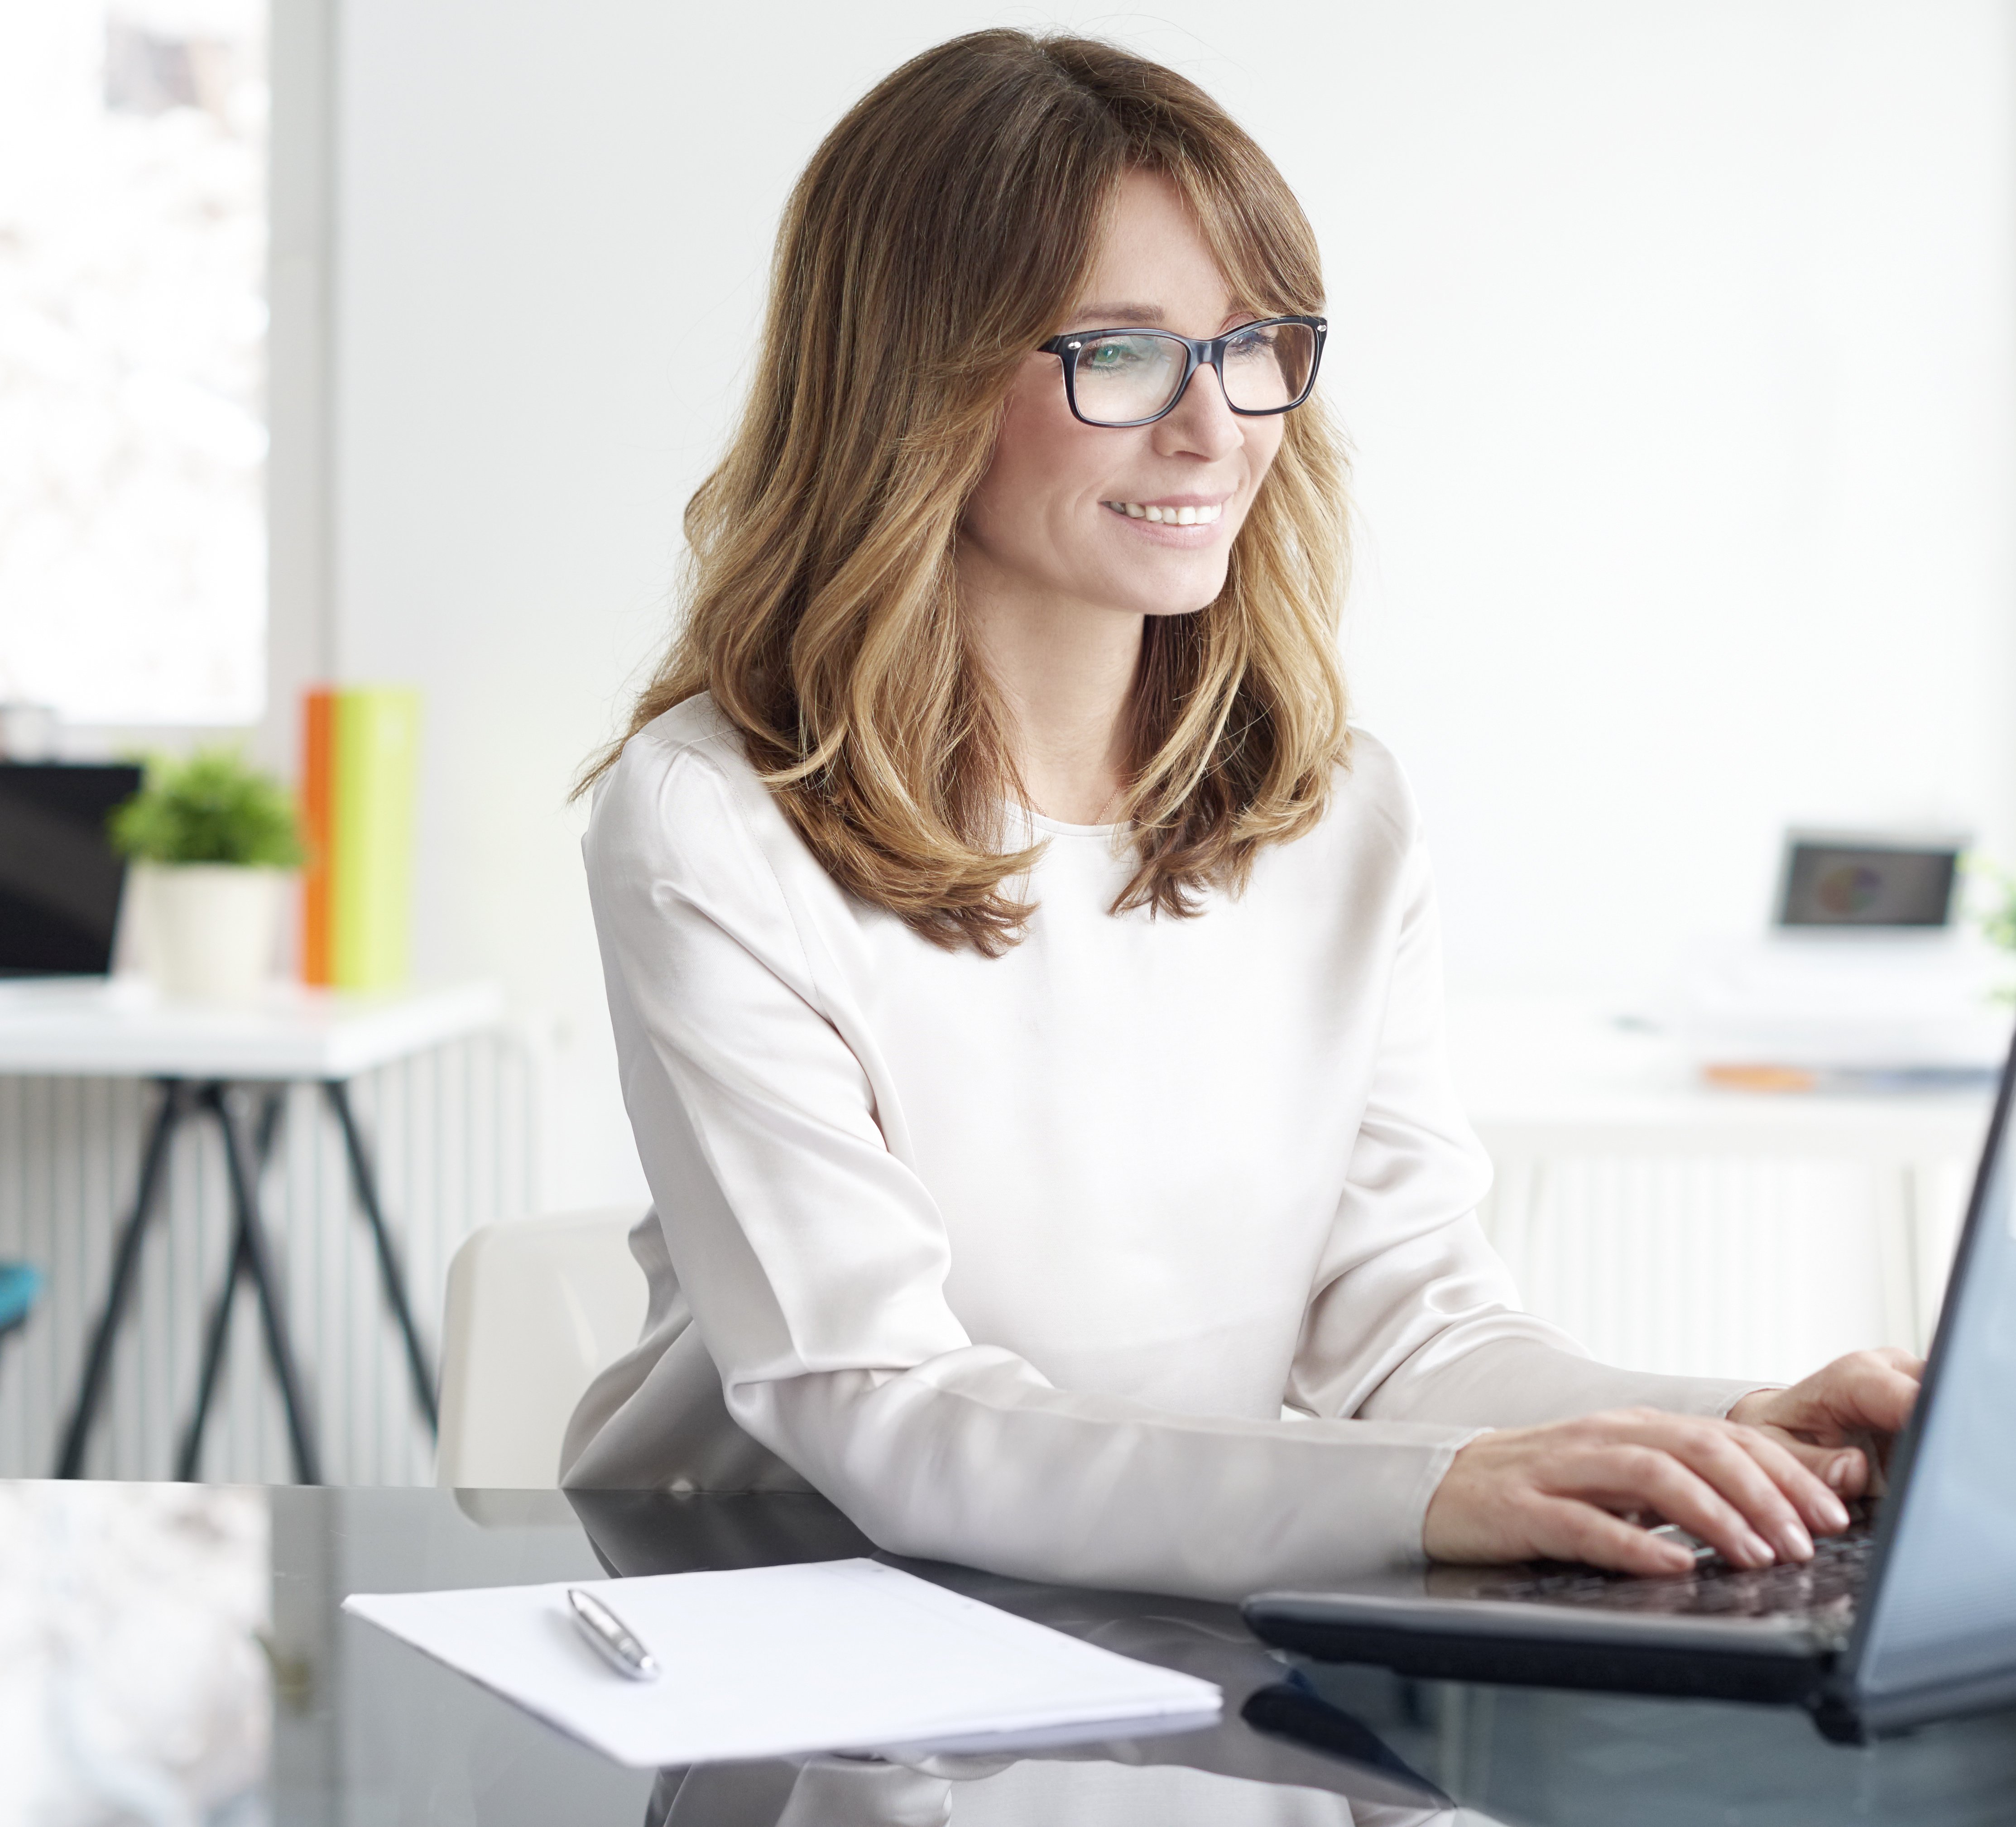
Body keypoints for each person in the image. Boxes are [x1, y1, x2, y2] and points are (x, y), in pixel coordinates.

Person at [565, 28, 1921, 1602]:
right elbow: (879, 1407)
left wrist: (1729, 1429)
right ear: (912, 384)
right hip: (770, 1615)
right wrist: (1435, 1494)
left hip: (1139, 1608)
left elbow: (1410, 1329)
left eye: (1256, 341)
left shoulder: (1338, 811)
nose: (1216, 427)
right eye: (1123, 353)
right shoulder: (712, 821)